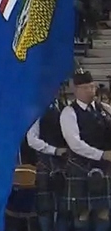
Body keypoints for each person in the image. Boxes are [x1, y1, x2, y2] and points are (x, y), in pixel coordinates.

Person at [59, 69, 111, 231]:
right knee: (83, 212)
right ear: (76, 90)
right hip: (81, 166)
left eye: (92, 86)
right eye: (86, 88)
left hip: (105, 166)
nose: (91, 91)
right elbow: (75, 143)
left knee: (104, 211)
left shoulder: (105, 108)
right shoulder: (69, 112)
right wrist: (101, 154)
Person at [27, 93, 71, 231]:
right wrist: (54, 150)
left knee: (65, 208)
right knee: (45, 208)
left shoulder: (66, 106)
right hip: (46, 162)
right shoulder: (37, 109)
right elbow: (32, 139)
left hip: (66, 163)